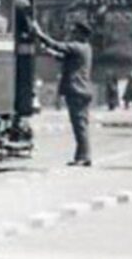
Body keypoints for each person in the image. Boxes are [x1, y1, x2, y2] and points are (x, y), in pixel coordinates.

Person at [31, 17, 94, 166]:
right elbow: (64, 56)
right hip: (83, 90)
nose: (72, 34)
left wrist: (39, 33)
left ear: (81, 34)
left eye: (75, 32)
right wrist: (50, 52)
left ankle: (84, 156)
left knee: (79, 125)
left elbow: (58, 45)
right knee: (81, 124)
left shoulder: (78, 46)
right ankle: (82, 155)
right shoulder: (86, 48)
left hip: (77, 90)